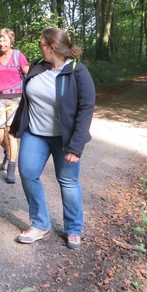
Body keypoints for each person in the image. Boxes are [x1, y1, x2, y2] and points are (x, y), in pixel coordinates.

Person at [10, 28, 95, 250]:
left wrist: (75, 148)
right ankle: (40, 223)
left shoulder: (77, 71)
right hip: (35, 134)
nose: (39, 46)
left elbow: (86, 110)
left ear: (52, 47)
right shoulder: (39, 66)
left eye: (41, 43)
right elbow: (26, 100)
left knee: (68, 181)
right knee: (28, 174)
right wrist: (18, 125)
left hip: (64, 139)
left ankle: (74, 228)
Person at [0, 28, 30, 183]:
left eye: (5, 40)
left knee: (11, 133)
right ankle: (7, 152)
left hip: (15, 100)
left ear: (11, 41)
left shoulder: (18, 56)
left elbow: (29, 74)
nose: (1, 43)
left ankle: (12, 167)